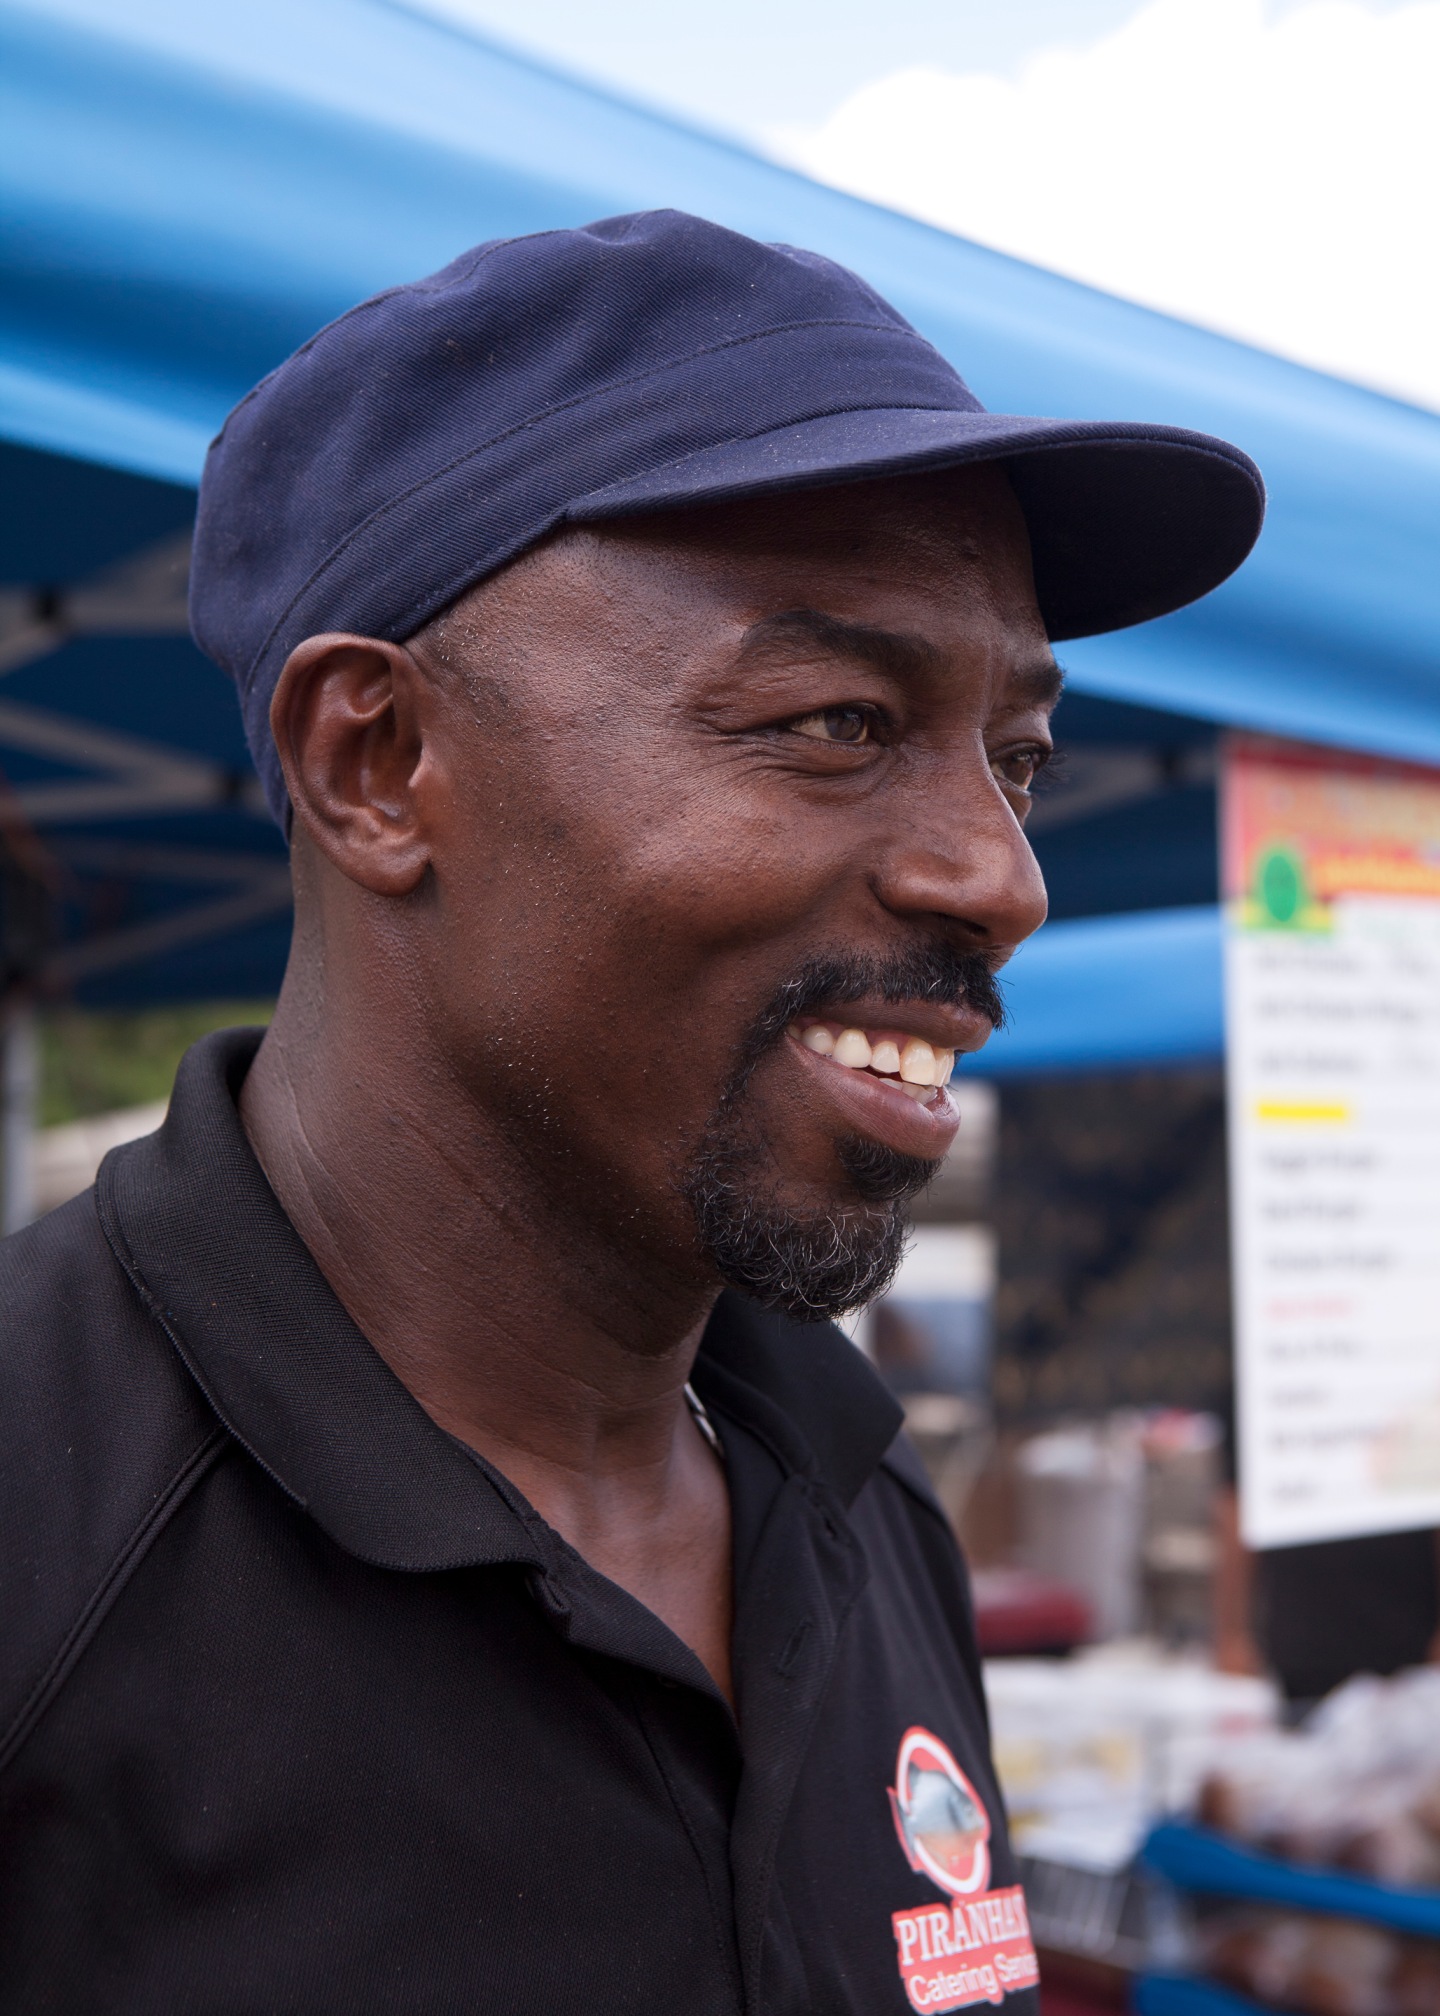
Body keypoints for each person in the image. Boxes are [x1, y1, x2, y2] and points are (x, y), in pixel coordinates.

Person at [0, 211, 1262, 2011]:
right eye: (833, 719)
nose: (1003, 875)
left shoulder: (849, 1489)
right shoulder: (45, 1537)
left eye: (1020, 759)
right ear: (378, 764)